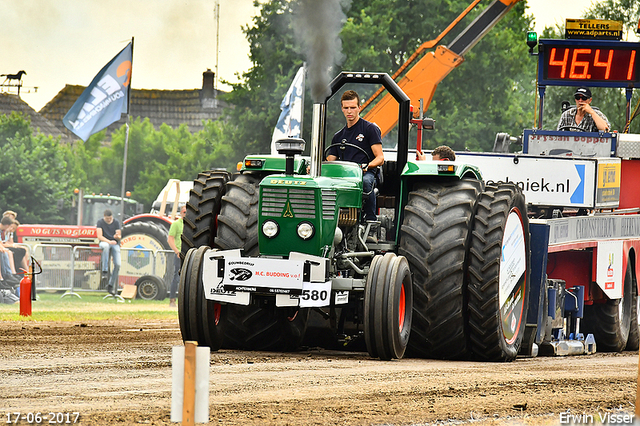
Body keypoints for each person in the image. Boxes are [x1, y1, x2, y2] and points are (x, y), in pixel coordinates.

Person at [326, 90, 384, 223]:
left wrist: (366, 166)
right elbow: (330, 160)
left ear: (359, 108)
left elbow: (380, 158)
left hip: (365, 172)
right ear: (342, 109)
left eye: (352, 107)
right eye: (346, 108)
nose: (349, 111)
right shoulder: (338, 136)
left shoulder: (370, 129)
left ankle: (371, 222)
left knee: (365, 183)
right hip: (344, 173)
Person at [96, 209, 121, 293]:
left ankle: (111, 285)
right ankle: (105, 271)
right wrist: (109, 241)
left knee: (117, 264)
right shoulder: (100, 222)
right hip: (104, 242)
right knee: (106, 246)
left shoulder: (116, 222)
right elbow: (99, 236)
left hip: (114, 243)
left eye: (110, 218)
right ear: (104, 217)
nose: (109, 220)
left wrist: (117, 236)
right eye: (107, 219)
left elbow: (119, 235)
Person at [167, 205, 186, 308]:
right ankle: (172, 299)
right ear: (181, 213)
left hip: (188, 254)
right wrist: (177, 251)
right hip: (179, 254)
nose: (185, 214)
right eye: (184, 212)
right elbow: (170, 239)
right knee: (176, 276)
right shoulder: (176, 224)